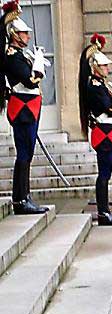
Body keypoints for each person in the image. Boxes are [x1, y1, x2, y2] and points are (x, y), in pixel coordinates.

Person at [0, 1, 50, 214]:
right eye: (23, 33)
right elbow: (29, 80)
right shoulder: (12, 55)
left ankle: (24, 196)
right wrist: (38, 68)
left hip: (29, 108)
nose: (28, 36)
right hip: (23, 109)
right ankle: (21, 199)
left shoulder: (21, 54)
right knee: (23, 153)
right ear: (14, 35)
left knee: (27, 153)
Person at [78, 33, 112, 226]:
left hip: (108, 132)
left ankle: (105, 211)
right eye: (104, 66)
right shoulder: (95, 87)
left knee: (105, 173)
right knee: (104, 174)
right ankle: (103, 212)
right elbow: (109, 107)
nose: (107, 68)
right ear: (95, 68)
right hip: (104, 134)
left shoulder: (100, 85)